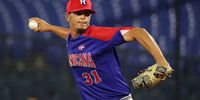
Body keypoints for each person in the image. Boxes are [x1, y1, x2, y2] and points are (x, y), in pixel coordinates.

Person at [29, 0, 173, 100]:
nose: (83, 17)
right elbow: (69, 34)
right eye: (79, 13)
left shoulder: (98, 34)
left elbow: (139, 32)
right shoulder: (72, 38)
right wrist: (49, 27)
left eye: (87, 13)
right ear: (67, 17)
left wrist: (161, 61)